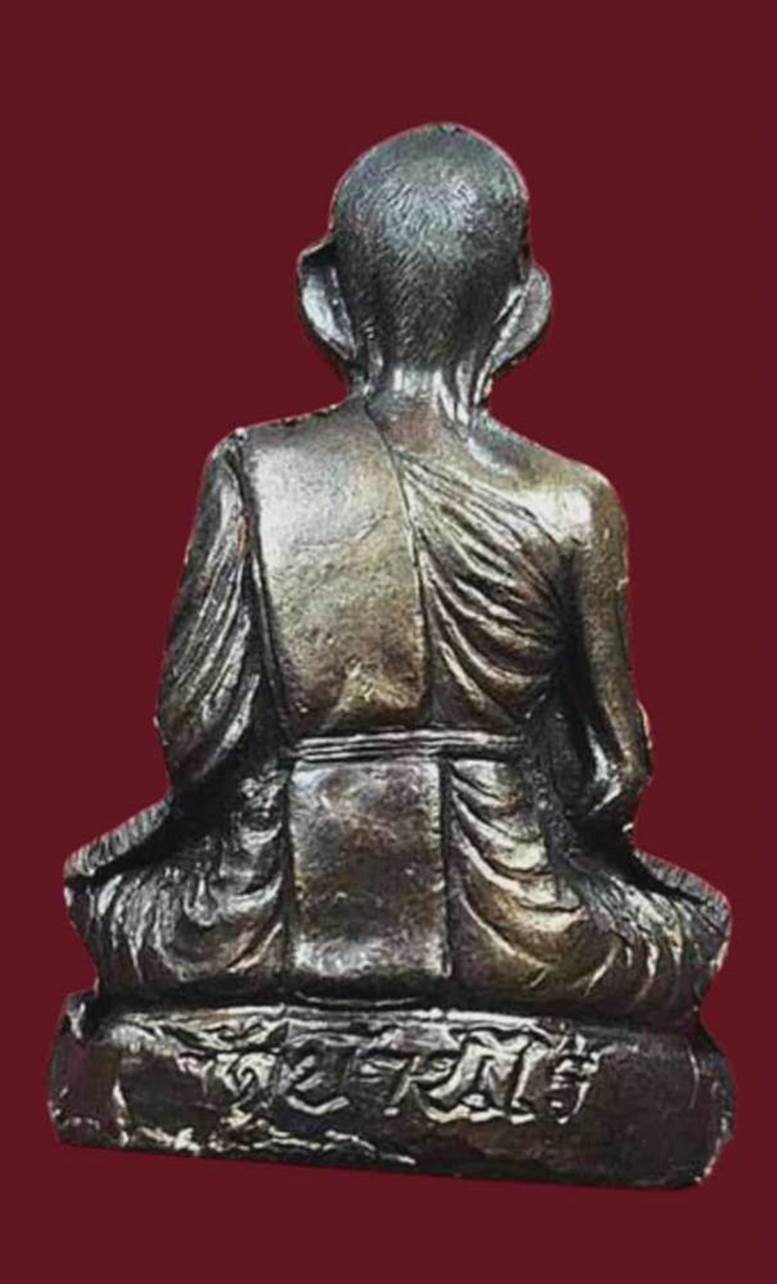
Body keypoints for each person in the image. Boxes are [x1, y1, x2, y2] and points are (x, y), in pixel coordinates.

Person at [65, 124, 728, 1029]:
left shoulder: (257, 471)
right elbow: (614, 773)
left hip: (272, 914)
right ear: (521, 306)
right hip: (522, 927)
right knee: (686, 932)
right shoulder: (572, 501)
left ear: (327, 298)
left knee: (113, 907)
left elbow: (197, 741)